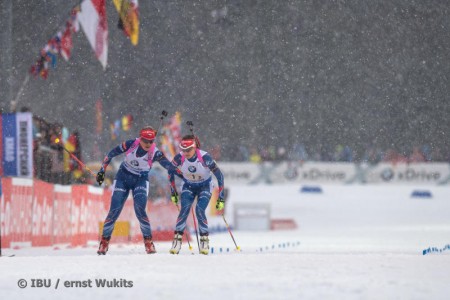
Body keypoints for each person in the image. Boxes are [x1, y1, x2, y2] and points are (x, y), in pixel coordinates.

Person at [96, 126, 177, 255]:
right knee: (114, 210)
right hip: (123, 177)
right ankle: (104, 242)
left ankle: (148, 243)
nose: (148, 144)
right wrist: (102, 170)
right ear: (140, 139)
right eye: (146, 141)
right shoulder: (130, 144)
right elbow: (111, 153)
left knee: (140, 209)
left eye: (151, 141)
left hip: (140, 179)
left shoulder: (155, 152)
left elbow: (168, 165)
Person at [168, 135, 225, 255]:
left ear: (194, 148)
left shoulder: (205, 157)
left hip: (204, 186)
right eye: (183, 150)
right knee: (184, 210)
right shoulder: (179, 158)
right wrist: (173, 191)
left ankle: (204, 241)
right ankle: (177, 242)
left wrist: (221, 197)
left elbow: (219, 175)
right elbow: (170, 171)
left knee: (199, 210)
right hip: (188, 186)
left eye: (188, 149)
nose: (186, 152)